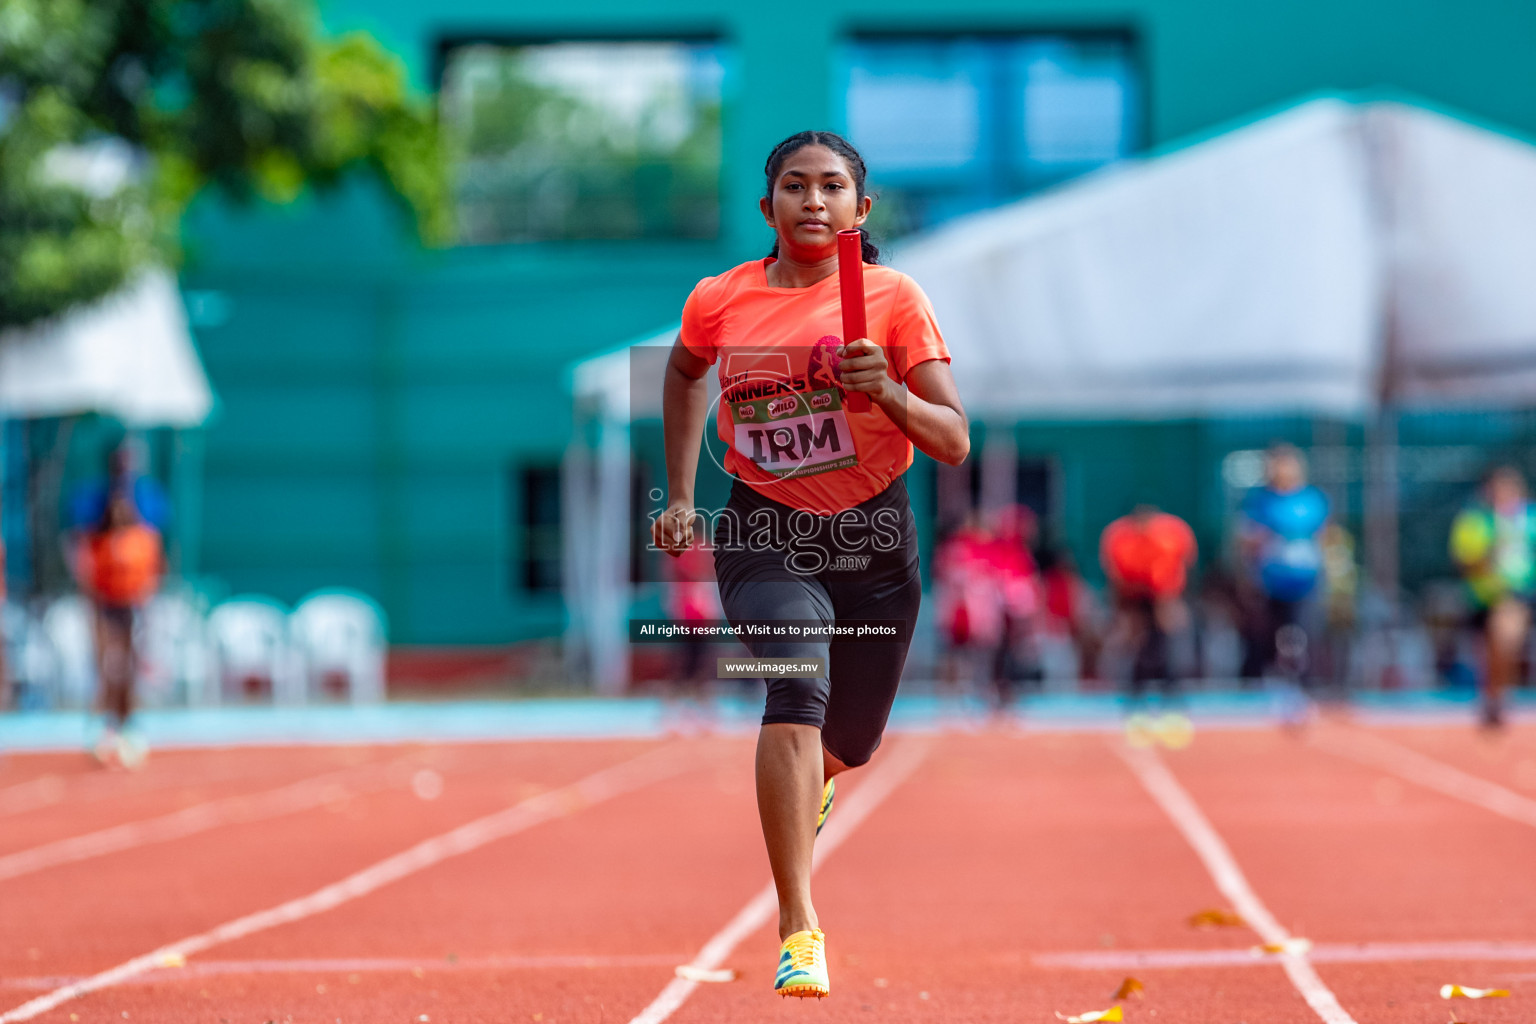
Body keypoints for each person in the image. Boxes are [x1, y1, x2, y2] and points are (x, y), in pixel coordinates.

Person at [652, 131, 968, 999]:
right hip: (764, 528)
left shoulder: (895, 300)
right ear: (769, 208)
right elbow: (682, 377)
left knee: (851, 741)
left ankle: (816, 780)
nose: (814, 201)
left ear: (861, 212)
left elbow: (954, 441)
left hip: (873, 536)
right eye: (796, 186)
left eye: (833, 188)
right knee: (796, 685)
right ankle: (800, 925)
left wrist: (890, 394)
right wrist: (682, 495)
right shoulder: (720, 300)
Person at [72, 489, 164, 767]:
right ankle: (102, 725)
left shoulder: (143, 539)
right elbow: (89, 578)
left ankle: (129, 723)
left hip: (130, 609)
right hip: (106, 609)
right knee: (108, 669)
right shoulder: (98, 542)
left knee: (129, 669)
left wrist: (145, 612)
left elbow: (151, 576)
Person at [1237, 444, 1329, 692]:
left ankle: (1307, 688)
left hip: (1305, 580)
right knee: (1262, 635)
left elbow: (1324, 535)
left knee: (1307, 634)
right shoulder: (1261, 501)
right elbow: (1247, 538)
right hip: (1270, 580)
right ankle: (1253, 687)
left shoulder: (1312, 499)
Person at [1450, 465, 1536, 728]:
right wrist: (1485, 557)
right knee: (1487, 654)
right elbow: (1463, 561)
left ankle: (1499, 698)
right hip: (1481, 597)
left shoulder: (1530, 520)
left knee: (1505, 639)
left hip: (1515, 594)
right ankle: (1492, 696)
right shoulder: (1475, 522)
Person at [1100, 505, 1197, 706]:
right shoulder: (1120, 536)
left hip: (1165, 592)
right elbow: (1116, 573)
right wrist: (1125, 606)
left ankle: (1172, 693)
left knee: (1170, 639)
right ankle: (1134, 693)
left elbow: (1184, 562)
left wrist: (1168, 596)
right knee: (1134, 643)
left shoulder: (1171, 533)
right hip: (1134, 595)